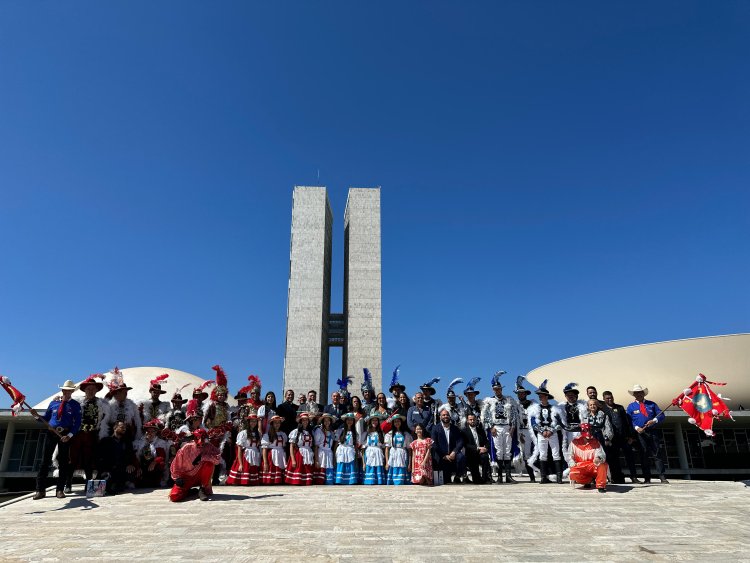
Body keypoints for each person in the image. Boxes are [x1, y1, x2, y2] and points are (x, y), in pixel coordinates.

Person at [29, 379, 82, 500]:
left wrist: (69, 435)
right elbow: (46, 418)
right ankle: (40, 490)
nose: (67, 392)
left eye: (70, 391)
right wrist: (36, 415)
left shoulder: (75, 405)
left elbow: (77, 423)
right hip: (51, 433)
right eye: (65, 390)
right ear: (62, 390)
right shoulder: (53, 403)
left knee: (63, 462)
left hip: (64, 435)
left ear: (72, 391)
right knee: (45, 461)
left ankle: (60, 489)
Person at [66, 374, 108, 492]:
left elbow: (105, 419)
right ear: (84, 390)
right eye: (88, 389)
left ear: (96, 390)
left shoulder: (103, 404)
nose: (91, 391)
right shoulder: (76, 402)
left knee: (88, 460)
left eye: (93, 389)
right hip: (77, 434)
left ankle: (88, 485)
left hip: (92, 434)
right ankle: (68, 483)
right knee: (72, 459)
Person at [481, 373, 520, 484]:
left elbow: (513, 414)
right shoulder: (490, 401)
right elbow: (486, 416)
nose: (497, 391)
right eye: (495, 389)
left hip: (507, 427)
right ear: (493, 390)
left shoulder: (508, 400)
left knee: (507, 451)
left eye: (499, 389)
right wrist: (491, 427)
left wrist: (512, 427)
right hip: (496, 427)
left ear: (501, 389)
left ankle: (508, 476)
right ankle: (499, 476)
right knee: (498, 451)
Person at [627, 384, 668, 484]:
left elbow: (661, 415)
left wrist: (654, 420)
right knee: (643, 454)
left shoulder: (652, 404)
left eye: (640, 392)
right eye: (636, 393)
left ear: (643, 393)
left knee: (657, 453)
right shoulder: (631, 406)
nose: (639, 394)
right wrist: (637, 428)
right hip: (640, 434)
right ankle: (647, 478)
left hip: (652, 432)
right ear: (634, 395)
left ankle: (662, 476)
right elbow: (629, 420)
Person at [169, 428, 223, 501]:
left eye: (203, 438)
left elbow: (217, 460)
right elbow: (176, 463)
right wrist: (177, 478)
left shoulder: (209, 447)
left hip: (201, 477)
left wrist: (203, 457)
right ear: (194, 438)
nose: (201, 441)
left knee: (209, 463)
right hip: (186, 477)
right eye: (198, 438)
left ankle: (202, 488)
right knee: (174, 496)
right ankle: (190, 492)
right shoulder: (186, 448)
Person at [528, 380, 564, 484]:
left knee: (556, 454)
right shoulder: (535, 408)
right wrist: (542, 431)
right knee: (542, 454)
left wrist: (551, 431)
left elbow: (559, 422)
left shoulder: (555, 408)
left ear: (547, 396)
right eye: (539, 395)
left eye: (542, 395)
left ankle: (559, 477)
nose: (540, 397)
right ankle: (543, 477)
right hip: (541, 434)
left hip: (553, 434)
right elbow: (533, 423)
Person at [602, 390, 640, 484]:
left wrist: (630, 436)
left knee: (629, 457)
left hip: (624, 437)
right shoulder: (602, 409)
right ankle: (615, 477)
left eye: (611, 397)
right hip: (612, 439)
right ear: (603, 399)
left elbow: (627, 422)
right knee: (614, 459)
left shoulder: (620, 408)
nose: (610, 399)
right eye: (607, 398)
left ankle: (634, 477)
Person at [203, 365, 233, 484]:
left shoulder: (227, 407)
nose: (221, 396)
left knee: (221, 455)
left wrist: (227, 431)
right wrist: (211, 430)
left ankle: (217, 477)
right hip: (212, 434)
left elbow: (229, 420)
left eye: (223, 395)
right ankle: (209, 477)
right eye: (219, 394)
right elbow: (205, 420)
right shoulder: (211, 405)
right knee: (211, 456)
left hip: (223, 434)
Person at [97, 420, 138, 495]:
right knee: (106, 483)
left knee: (131, 471)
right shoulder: (105, 441)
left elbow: (131, 454)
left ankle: (119, 484)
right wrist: (104, 470)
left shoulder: (127, 442)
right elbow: (99, 457)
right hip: (108, 469)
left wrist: (130, 463)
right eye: (122, 427)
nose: (124, 429)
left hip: (121, 469)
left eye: (125, 428)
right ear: (115, 428)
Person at [101, 371, 142, 442]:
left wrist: (137, 436)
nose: (125, 394)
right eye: (122, 392)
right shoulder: (109, 405)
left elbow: (137, 422)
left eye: (126, 392)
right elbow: (105, 422)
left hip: (127, 433)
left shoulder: (132, 405)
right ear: (116, 394)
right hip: (113, 432)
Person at [568, 423, 608, 493]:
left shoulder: (596, 442)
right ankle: (587, 481)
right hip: (580, 466)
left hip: (593, 465)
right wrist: (571, 462)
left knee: (602, 465)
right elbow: (569, 455)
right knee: (573, 473)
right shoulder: (574, 442)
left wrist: (598, 458)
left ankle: (600, 486)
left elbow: (601, 454)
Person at [431, 405, 466, 485]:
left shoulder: (455, 428)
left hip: (453, 454)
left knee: (461, 457)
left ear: (450, 417)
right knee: (446, 481)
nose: (445, 416)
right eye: (443, 415)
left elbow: (460, 441)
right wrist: (444, 455)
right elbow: (434, 444)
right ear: (440, 417)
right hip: (441, 456)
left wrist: (454, 452)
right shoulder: (435, 428)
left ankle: (457, 477)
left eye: (447, 415)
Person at [226, 414, 262, 486]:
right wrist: (240, 464)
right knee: (243, 474)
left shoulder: (258, 433)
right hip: (246, 456)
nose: (253, 423)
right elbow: (239, 449)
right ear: (248, 422)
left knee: (253, 479)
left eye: (255, 421)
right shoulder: (243, 433)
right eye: (251, 421)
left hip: (254, 455)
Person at [134, 418, 168, 488]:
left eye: (152, 431)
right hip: (142, 465)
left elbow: (161, 456)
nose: (150, 433)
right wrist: (137, 467)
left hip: (153, 466)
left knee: (160, 464)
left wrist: (154, 462)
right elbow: (136, 456)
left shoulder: (160, 442)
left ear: (156, 432)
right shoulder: (139, 442)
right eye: (148, 431)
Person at [514, 376, 536, 482]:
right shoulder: (515, 405)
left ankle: (540, 473)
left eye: (522, 393)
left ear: (526, 394)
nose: (521, 395)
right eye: (519, 393)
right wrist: (519, 434)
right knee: (525, 454)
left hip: (532, 431)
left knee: (535, 452)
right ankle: (531, 477)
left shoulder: (533, 404)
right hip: (521, 431)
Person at [286, 412, 315, 485]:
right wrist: (293, 460)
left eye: (306, 420)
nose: (305, 422)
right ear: (300, 421)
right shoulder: (296, 432)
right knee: (298, 477)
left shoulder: (311, 432)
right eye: (303, 420)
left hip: (308, 454)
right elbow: (291, 446)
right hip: (299, 455)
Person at [462, 413, 492, 484]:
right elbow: (465, 445)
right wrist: (478, 448)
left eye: (474, 419)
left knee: (485, 457)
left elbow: (487, 442)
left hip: (481, 453)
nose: (472, 421)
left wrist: (486, 448)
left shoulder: (481, 430)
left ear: (476, 420)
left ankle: (485, 478)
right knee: (476, 481)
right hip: (471, 454)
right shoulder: (464, 431)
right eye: (470, 420)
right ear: (467, 421)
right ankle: (477, 478)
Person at [385, 415, 412, 485]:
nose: (397, 423)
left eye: (398, 421)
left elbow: (409, 450)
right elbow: (387, 449)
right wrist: (387, 462)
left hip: (402, 456)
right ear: (393, 423)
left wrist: (409, 464)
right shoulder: (390, 434)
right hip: (393, 455)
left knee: (402, 472)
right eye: (395, 422)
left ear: (401, 422)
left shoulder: (406, 434)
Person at [260, 415, 287, 485]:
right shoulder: (267, 435)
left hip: (281, 454)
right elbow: (264, 449)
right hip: (272, 455)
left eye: (278, 423)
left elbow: (284, 446)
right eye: (275, 423)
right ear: (272, 424)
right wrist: (265, 462)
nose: (277, 424)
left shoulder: (283, 434)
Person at [560, 382, 587, 450]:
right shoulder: (562, 407)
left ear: (576, 396)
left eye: (572, 395)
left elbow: (586, 419)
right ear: (566, 396)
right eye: (568, 395)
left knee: (581, 447)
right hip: (569, 431)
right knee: (570, 448)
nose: (570, 396)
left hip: (579, 430)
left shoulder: (582, 406)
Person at [361, 413, 386, 485]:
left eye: (376, 420)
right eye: (373, 420)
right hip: (369, 455)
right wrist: (363, 463)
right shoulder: (366, 434)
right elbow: (363, 449)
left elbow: (384, 447)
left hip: (378, 455)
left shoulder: (381, 433)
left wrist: (384, 460)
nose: (374, 422)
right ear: (370, 422)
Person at [335, 413, 360, 484]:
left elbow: (355, 445)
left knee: (350, 464)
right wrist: (334, 454)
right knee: (341, 463)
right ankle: (340, 480)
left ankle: (350, 481)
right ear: (345, 421)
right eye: (348, 420)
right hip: (341, 450)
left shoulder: (355, 433)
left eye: (351, 420)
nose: (349, 421)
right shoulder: (340, 431)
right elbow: (336, 443)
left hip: (350, 451)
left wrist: (356, 454)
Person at [313, 412, 337, 485]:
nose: (327, 422)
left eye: (328, 420)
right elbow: (316, 446)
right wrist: (316, 460)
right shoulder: (318, 431)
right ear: (323, 422)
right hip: (321, 452)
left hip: (329, 453)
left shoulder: (332, 432)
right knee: (321, 471)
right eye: (325, 420)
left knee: (329, 472)